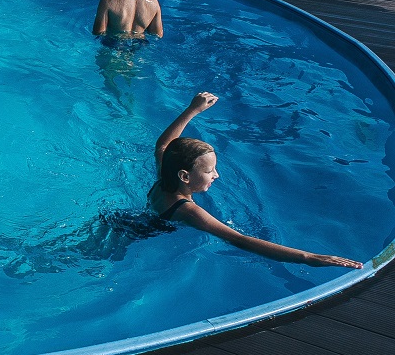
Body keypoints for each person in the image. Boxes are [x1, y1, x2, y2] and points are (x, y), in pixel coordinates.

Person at [149, 92, 362, 269]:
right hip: (147, 235)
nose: (217, 175)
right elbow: (239, 240)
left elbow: (163, 146)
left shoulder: (166, 175)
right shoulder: (188, 211)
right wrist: (308, 257)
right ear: (185, 176)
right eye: (209, 170)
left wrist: (192, 110)